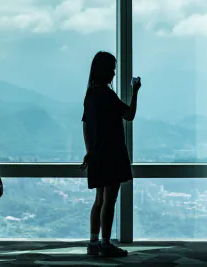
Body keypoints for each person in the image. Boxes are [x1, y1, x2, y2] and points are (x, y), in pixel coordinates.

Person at [80, 51, 141, 257]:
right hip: (112, 153)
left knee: (99, 200)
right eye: (112, 69)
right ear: (105, 71)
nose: (114, 73)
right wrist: (135, 91)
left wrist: (89, 150)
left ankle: (93, 242)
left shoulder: (90, 94)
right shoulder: (106, 94)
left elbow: (86, 125)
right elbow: (129, 115)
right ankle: (106, 244)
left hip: (97, 153)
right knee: (110, 200)